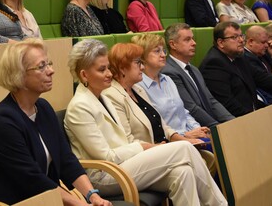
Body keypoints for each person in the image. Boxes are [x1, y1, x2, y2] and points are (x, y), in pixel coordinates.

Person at [64, 39, 228, 205]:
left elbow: (126, 141)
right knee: (183, 148)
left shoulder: (103, 96)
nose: (109, 73)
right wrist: (144, 147)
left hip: (124, 164)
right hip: (105, 175)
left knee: (182, 172)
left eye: (107, 67)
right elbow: (106, 156)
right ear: (84, 75)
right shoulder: (80, 106)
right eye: (102, 70)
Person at [0, 38, 111, 206]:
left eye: (49, 64)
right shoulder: (2, 122)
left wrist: (93, 196)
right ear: (19, 74)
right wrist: (79, 204)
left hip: (43, 200)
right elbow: (31, 179)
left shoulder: (43, 108)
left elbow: (66, 159)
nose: (51, 71)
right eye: (41, 66)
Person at [102, 42, 216, 174]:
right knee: (192, 164)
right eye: (138, 63)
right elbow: (128, 141)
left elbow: (164, 126)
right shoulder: (112, 96)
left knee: (208, 155)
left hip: (162, 148)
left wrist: (185, 140)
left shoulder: (138, 89)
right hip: (143, 157)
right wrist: (164, 147)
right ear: (122, 68)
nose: (143, 67)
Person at [199, 22, 272, 117]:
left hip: (253, 113)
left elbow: (263, 78)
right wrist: (254, 118)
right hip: (238, 122)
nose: (241, 40)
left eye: (241, 36)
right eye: (234, 37)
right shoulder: (214, 63)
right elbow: (226, 103)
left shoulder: (238, 56)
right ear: (221, 42)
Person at [130, 34, 210, 139]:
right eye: (157, 51)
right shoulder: (138, 87)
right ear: (142, 57)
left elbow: (183, 112)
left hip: (189, 135)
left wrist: (198, 128)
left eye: (163, 50)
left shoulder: (167, 79)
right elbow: (153, 124)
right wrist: (184, 135)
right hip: (169, 141)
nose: (163, 55)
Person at [162, 23, 235, 127]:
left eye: (193, 39)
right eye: (187, 40)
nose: (194, 43)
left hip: (211, 124)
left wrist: (233, 121)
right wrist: (217, 127)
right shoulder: (169, 72)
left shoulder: (194, 69)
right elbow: (190, 107)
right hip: (195, 128)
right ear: (173, 44)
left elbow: (211, 101)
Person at [243, 25, 272, 104]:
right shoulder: (247, 58)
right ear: (250, 42)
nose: (267, 45)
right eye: (263, 42)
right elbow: (267, 81)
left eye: (267, 41)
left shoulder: (263, 54)